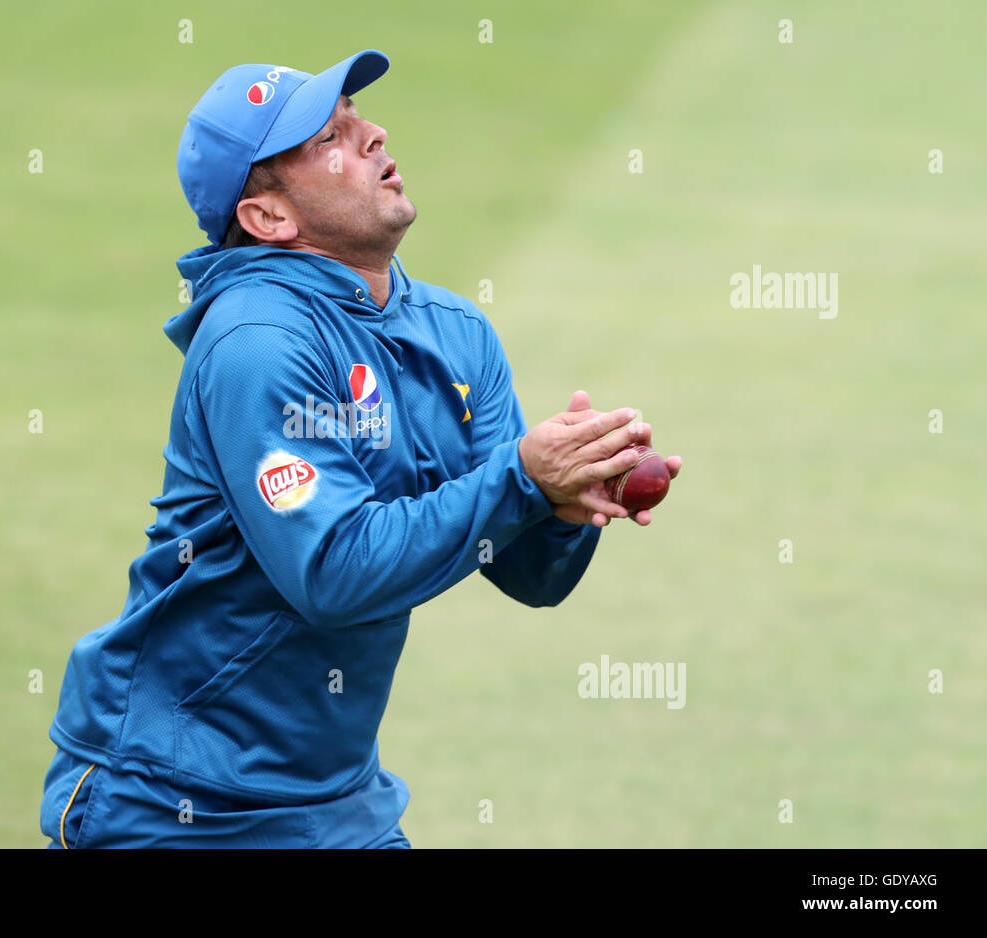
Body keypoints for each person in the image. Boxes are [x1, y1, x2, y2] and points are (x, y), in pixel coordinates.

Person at [41, 48, 681, 848]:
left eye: (357, 119)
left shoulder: (453, 333)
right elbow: (333, 574)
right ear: (269, 219)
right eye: (329, 139)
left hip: (336, 805)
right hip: (174, 801)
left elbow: (525, 573)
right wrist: (522, 481)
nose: (374, 134)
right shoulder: (259, 340)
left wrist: (566, 498)